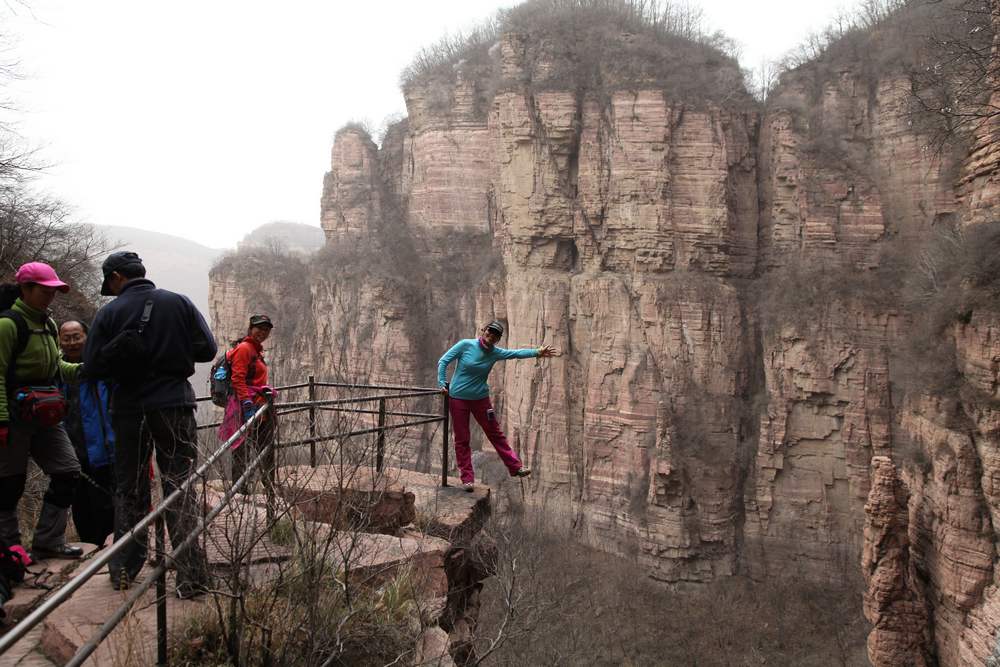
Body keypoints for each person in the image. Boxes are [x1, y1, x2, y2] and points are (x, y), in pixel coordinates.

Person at [83, 251, 217, 597]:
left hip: (128, 409)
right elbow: (207, 350)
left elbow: (92, 367)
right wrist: (171, 350)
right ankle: (191, 575)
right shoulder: (178, 303)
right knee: (178, 484)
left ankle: (124, 570)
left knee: (130, 487)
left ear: (115, 278)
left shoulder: (108, 313)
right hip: (173, 404)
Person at [0, 262, 84, 559]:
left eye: (54, 291)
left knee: (68, 471)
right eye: (45, 290)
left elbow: (55, 367)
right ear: (26, 289)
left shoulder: (47, 324)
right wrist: (2, 420)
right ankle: (11, 552)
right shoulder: (9, 325)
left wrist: (81, 371)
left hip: (46, 412)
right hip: (14, 414)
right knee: (9, 484)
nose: (51, 296)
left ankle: (49, 541)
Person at [437, 320, 557, 491]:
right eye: (489, 331)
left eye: (496, 334)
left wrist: (537, 352)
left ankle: (515, 468)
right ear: (483, 330)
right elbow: (443, 361)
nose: (491, 336)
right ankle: (467, 479)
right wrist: (442, 383)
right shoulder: (465, 345)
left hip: (481, 399)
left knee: (495, 433)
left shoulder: (495, 353)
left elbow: (515, 353)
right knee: (462, 439)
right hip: (458, 399)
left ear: (498, 339)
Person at [58, 320, 115, 548]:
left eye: (77, 336)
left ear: (87, 337)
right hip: (70, 450)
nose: (72, 342)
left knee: (106, 504)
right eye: (66, 338)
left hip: (102, 449)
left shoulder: (101, 368)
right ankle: (89, 551)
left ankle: (109, 554)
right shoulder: (56, 371)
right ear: (59, 341)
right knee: (80, 505)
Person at [218, 314, 277, 491]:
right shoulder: (245, 348)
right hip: (248, 407)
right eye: (259, 328)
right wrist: (247, 404)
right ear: (251, 329)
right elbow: (238, 379)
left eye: (266, 330)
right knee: (243, 449)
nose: (263, 332)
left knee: (265, 447)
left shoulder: (256, 350)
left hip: (260, 406)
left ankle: (268, 486)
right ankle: (240, 489)